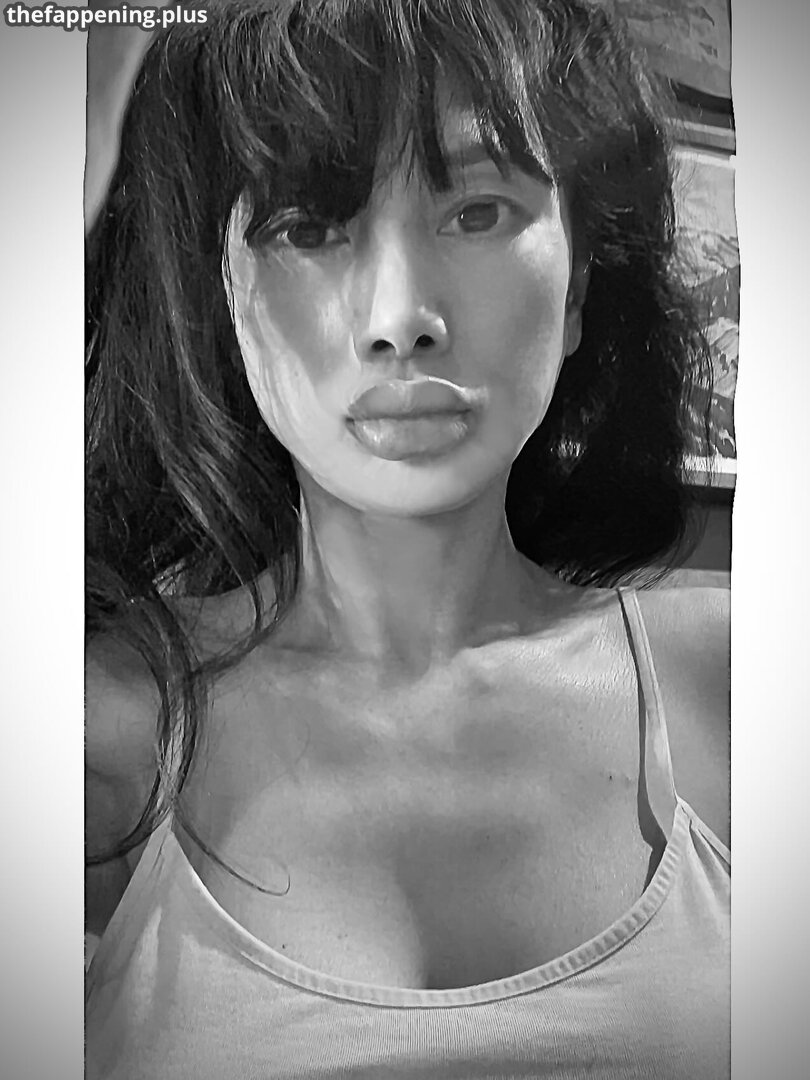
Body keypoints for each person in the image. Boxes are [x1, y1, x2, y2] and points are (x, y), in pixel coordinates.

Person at [84, 0, 730, 1076]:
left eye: (477, 212)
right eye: (305, 227)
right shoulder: (101, 736)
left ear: (579, 284)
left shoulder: (744, 680)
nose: (399, 318)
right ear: (221, 295)